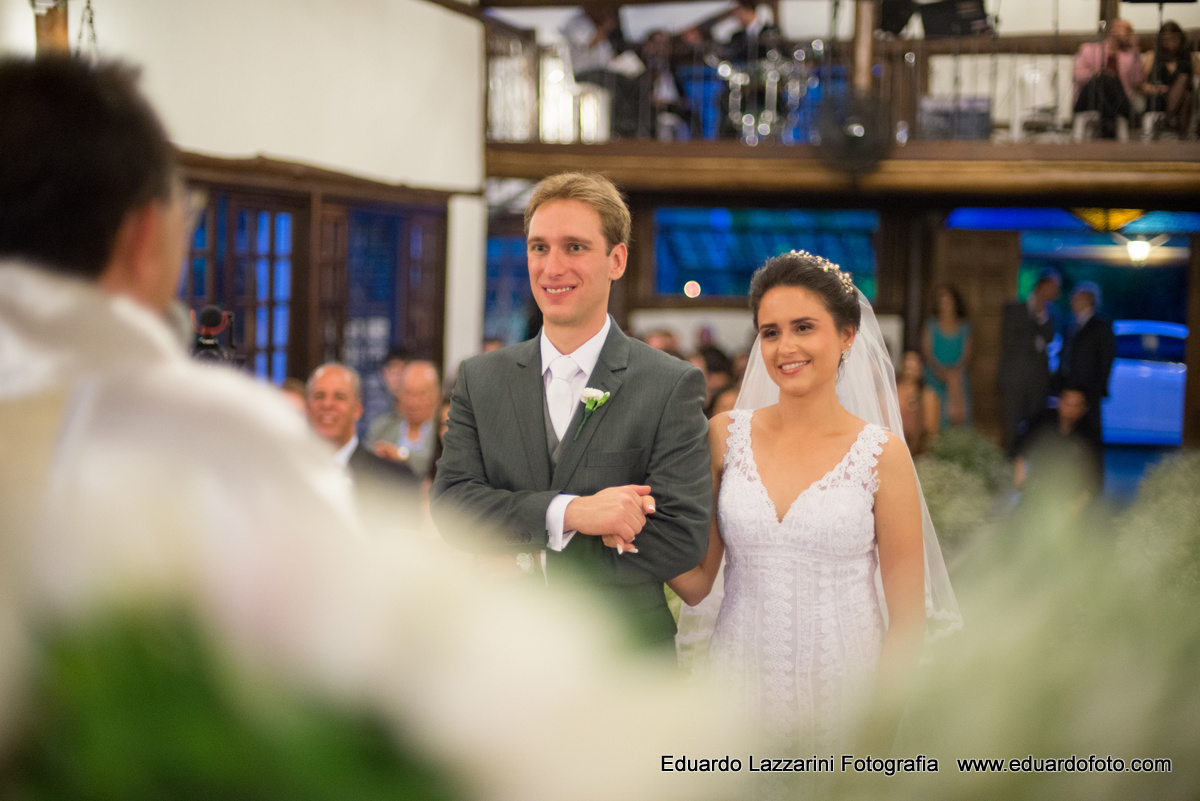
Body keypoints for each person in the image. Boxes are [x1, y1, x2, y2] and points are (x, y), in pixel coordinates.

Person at [668, 251, 959, 752]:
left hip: (844, 693)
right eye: (771, 332)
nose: (786, 347)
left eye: (804, 327)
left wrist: (876, 734)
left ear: (847, 335)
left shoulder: (881, 456)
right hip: (737, 687)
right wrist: (635, 528)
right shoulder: (724, 436)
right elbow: (696, 582)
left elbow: (909, 619)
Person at [430, 172, 712, 651]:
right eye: (539, 248)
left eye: (575, 247)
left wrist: (523, 553)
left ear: (616, 260)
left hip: (623, 660)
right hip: (500, 654)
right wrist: (576, 513)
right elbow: (454, 505)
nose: (552, 266)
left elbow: (680, 539)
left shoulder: (669, 384)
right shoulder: (480, 378)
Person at [307, 362, 418, 494]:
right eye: (319, 396)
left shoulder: (394, 479)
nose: (327, 404)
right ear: (307, 407)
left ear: (358, 409)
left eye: (339, 397)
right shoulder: (289, 473)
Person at [562, 0, 652, 139]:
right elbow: (590, 42)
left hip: (605, 71)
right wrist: (606, 26)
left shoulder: (597, 27)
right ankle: (617, 128)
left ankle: (635, 128)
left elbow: (609, 56)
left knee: (636, 83)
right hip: (584, 73)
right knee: (615, 84)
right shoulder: (577, 23)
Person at [997, 269, 1061, 459]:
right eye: (1052, 287)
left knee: (1035, 429)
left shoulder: (1052, 314)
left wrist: (1042, 319)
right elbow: (1010, 340)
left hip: (1038, 382)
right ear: (1041, 287)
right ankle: (1009, 471)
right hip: (1014, 379)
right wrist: (1035, 343)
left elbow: (1049, 339)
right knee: (1011, 428)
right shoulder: (1014, 308)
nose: (1055, 292)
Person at [1057, 282, 1115, 483]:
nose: (1073, 301)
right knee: (1068, 431)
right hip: (1068, 387)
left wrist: (1095, 390)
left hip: (1088, 391)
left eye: (1077, 298)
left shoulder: (1101, 325)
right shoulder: (1070, 325)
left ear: (1088, 300)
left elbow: (1106, 359)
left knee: (1091, 433)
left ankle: (1094, 479)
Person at [1014, 386, 1102, 510]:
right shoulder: (1044, 420)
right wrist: (1020, 467)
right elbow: (1022, 441)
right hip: (1039, 488)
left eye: (1075, 405)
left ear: (1083, 409)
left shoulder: (1089, 435)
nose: (1069, 410)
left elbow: (1096, 477)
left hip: (1069, 495)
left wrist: (1075, 506)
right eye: (1067, 403)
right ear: (1059, 402)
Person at [367, 359, 441, 478]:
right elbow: (368, 463)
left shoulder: (444, 431)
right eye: (408, 393)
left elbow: (437, 464)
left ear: (437, 396)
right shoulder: (382, 427)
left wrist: (401, 456)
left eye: (421, 394)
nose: (413, 402)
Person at [1072, 18, 1145, 139]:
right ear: (1114, 30)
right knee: (1103, 78)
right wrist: (1097, 74)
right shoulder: (1090, 50)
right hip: (1091, 99)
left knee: (1109, 81)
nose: (1131, 34)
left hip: (1119, 101)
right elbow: (1077, 76)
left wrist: (1135, 49)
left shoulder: (1130, 55)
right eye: (1127, 30)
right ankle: (1109, 129)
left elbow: (1137, 81)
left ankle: (1106, 128)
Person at [922, 283, 972, 428]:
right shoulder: (931, 325)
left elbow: (967, 355)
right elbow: (927, 353)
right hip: (935, 377)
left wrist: (954, 374)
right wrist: (939, 371)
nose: (945, 306)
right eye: (941, 302)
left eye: (948, 302)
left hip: (958, 378)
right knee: (934, 419)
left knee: (958, 424)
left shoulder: (964, 327)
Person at [1141, 21, 1195, 139]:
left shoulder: (1188, 58)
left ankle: (1169, 121)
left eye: (1174, 39)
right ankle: (1180, 132)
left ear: (1180, 39)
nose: (1170, 43)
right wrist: (1153, 88)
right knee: (1185, 92)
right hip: (1158, 98)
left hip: (1183, 102)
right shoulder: (1152, 56)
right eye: (1166, 39)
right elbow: (1141, 84)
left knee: (1186, 92)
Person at [898, 350, 940, 456]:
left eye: (915, 364)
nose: (911, 368)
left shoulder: (928, 396)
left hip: (918, 452)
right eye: (908, 364)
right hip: (895, 447)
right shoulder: (892, 392)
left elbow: (931, 432)